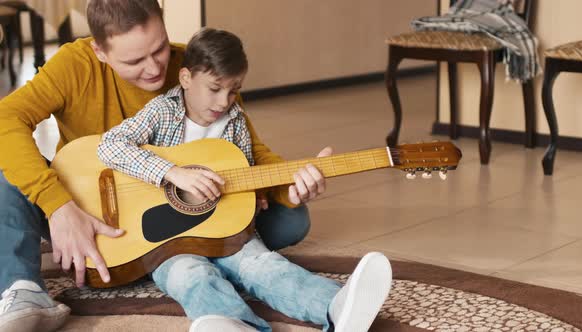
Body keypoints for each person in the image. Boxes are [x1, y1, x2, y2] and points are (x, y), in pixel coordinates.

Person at [0, 1, 327, 331]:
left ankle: (195, 253)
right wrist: (59, 207)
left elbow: (249, 152)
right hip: (88, 212)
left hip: (175, 214)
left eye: (159, 49)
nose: (155, 68)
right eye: (134, 60)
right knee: (7, 168)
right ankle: (23, 289)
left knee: (292, 219)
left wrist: (294, 183)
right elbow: (6, 118)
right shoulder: (75, 64)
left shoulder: (198, 71)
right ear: (99, 50)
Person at [97, 27, 392, 332]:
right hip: (165, 244)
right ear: (186, 79)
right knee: (191, 277)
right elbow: (110, 145)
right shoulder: (160, 112)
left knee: (264, 266)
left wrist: (267, 192)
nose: (224, 101)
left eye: (233, 90)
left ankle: (336, 307)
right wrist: (173, 173)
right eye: (214, 88)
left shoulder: (235, 122)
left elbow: (243, 178)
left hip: (226, 234)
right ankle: (236, 326)